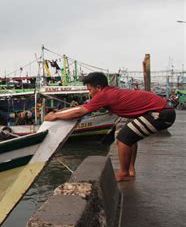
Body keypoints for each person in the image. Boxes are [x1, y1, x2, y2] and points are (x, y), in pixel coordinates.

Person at [44, 72, 176, 182]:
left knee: (123, 138)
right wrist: (59, 113)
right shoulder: (109, 92)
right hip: (163, 112)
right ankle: (130, 171)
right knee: (131, 137)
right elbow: (81, 108)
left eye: (90, 90)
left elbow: (80, 112)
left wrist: (55, 117)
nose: (89, 93)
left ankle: (123, 173)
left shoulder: (104, 95)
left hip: (161, 114)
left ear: (98, 87)